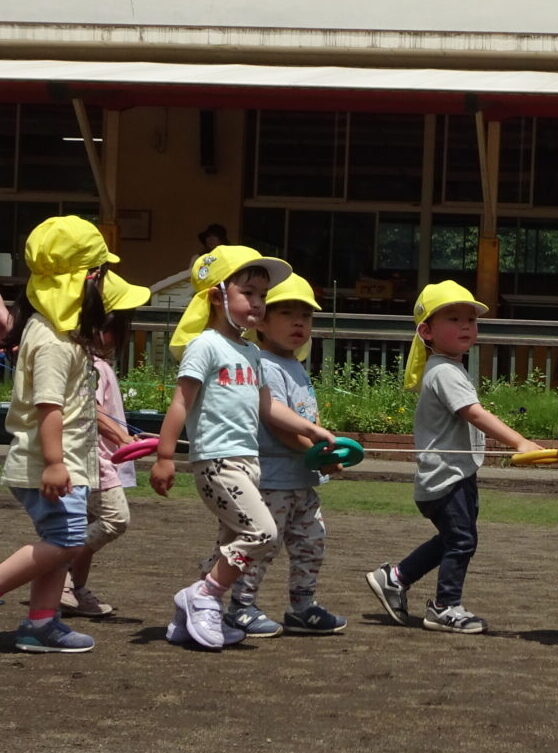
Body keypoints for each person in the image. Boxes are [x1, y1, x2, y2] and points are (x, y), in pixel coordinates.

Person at [150, 245, 336, 651]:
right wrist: (165, 457)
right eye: (248, 293)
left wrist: (313, 430)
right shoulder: (206, 346)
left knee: (232, 542)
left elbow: (267, 406)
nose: (257, 303)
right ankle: (204, 595)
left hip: (247, 463)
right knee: (262, 533)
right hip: (216, 462)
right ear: (217, 296)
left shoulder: (251, 352)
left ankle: (197, 607)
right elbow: (181, 401)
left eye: (262, 296)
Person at [0, 216, 146, 652]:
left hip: (66, 466)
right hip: (47, 466)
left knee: (60, 543)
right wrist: (55, 462)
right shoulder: (51, 342)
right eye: (102, 278)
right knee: (63, 542)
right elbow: (50, 407)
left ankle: (42, 623)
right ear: (86, 281)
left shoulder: (67, 337)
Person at [364, 280, 542, 634]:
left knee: (452, 538)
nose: (465, 326)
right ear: (426, 331)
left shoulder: (449, 368)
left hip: (451, 475)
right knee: (462, 540)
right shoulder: (444, 370)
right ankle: (445, 607)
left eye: (470, 320)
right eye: (453, 318)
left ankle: (395, 577)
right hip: (446, 477)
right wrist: (520, 442)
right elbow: (474, 413)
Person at [220, 274, 348, 637]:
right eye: (287, 313)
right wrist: (319, 454)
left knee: (312, 543)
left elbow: (310, 417)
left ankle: (302, 606)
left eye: (306, 316)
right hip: (272, 480)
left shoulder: (296, 366)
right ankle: (240, 606)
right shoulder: (264, 365)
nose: (298, 323)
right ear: (260, 320)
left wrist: (327, 450)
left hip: (302, 481)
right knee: (263, 545)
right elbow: (281, 426)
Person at [59, 278, 152, 617]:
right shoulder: (89, 365)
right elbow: (92, 412)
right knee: (114, 519)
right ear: (98, 328)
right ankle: (59, 577)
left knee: (88, 522)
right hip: (91, 458)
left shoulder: (95, 364)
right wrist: (121, 438)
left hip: (95, 457)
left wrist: (125, 437)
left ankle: (74, 587)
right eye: (116, 328)